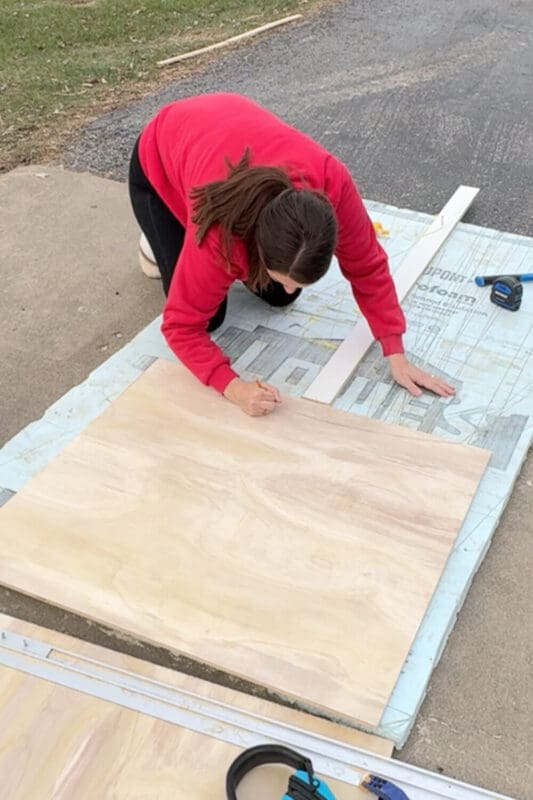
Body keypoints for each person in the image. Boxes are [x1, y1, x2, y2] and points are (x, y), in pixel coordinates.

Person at [128, 92, 455, 417]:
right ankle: (158, 242)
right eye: (282, 277)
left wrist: (395, 351)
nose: (289, 287)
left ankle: (218, 263)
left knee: (281, 297)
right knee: (211, 319)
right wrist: (235, 388)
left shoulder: (333, 183)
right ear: (256, 243)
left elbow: (368, 267)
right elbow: (180, 327)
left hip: (224, 135)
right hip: (160, 157)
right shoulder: (220, 234)